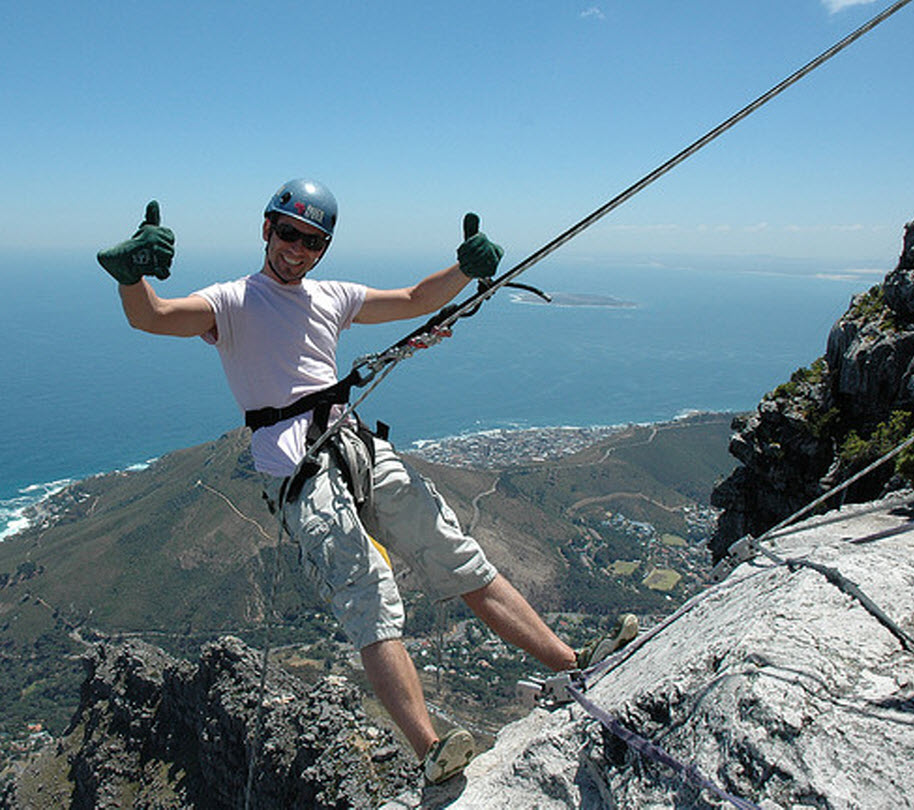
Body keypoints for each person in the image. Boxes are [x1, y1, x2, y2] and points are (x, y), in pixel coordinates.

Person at [99, 178, 637, 785]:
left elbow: (412, 298)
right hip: (298, 469)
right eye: (288, 233)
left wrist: (464, 269)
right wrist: (130, 276)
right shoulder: (232, 302)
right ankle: (431, 751)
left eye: (312, 241)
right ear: (267, 229)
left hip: (353, 443)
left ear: (323, 248)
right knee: (370, 592)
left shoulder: (330, 296)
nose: (296, 250)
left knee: (451, 549)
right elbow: (153, 317)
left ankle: (571, 662)